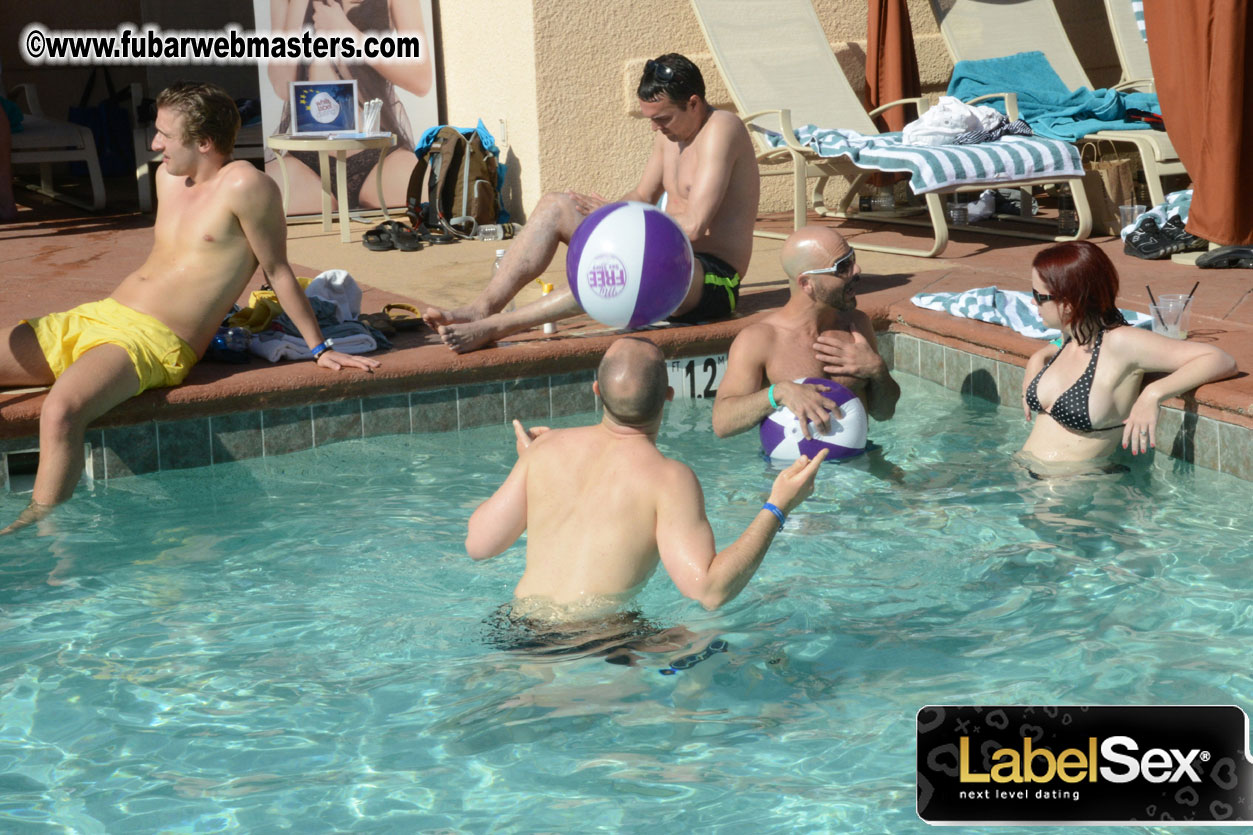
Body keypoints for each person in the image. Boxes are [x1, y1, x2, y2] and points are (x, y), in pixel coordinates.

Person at [0, 82, 380, 534]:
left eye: (164, 134)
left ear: (203, 143)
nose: (154, 142)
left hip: (153, 340)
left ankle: (37, 531)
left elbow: (277, 270)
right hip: (100, 314)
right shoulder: (167, 177)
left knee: (61, 410)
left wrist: (319, 348)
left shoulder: (245, 185)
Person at [465, 337, 826, 628]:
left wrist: (531, 468)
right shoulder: (669, 479)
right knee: (708, 638)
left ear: (596, 391)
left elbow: (479, 545)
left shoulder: (544, 450)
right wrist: (778, 506)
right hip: (596, 647)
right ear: (669, 397)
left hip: (512, 630)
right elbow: (710, 590)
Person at [423, 53, 760, 353]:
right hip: (661, 252)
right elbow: (643, 197)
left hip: (712, 278)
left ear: (694, 103)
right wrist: (612, 215)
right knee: (556, 205)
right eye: (651, 119)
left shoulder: (721, 129)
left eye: (663, 118)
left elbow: (697, 225)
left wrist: (621, 224)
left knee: (629, 263)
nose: (655, 128)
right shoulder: (668, 135)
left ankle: (498, 327)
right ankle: (483, 308)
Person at [1019, 240, 1236, 470]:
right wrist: (1037, 359)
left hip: (1076, 493)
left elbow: (1220, 360)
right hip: (1026, 476)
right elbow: (1061, 349)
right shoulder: (1072, 337)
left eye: (1039, 295)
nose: (1033, 301)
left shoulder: (1122, 343)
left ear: (1069, 302)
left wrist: (1153, 394)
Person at [712, 226, 899, 441]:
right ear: (806, 283)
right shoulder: (760, 340)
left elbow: (884, 413)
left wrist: (878, 370)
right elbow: (722, 423)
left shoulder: (856, 325)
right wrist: (778, 393)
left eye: (852, 257)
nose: (857, 270)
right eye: (843, 266)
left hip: (860, 463)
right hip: (794, 470)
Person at [266, 0, 433, 212]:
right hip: (308, 158)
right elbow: (282, 85)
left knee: (431, 199)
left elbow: (421, 80)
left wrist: (349, 33)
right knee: (262, 199)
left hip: (377, 153)